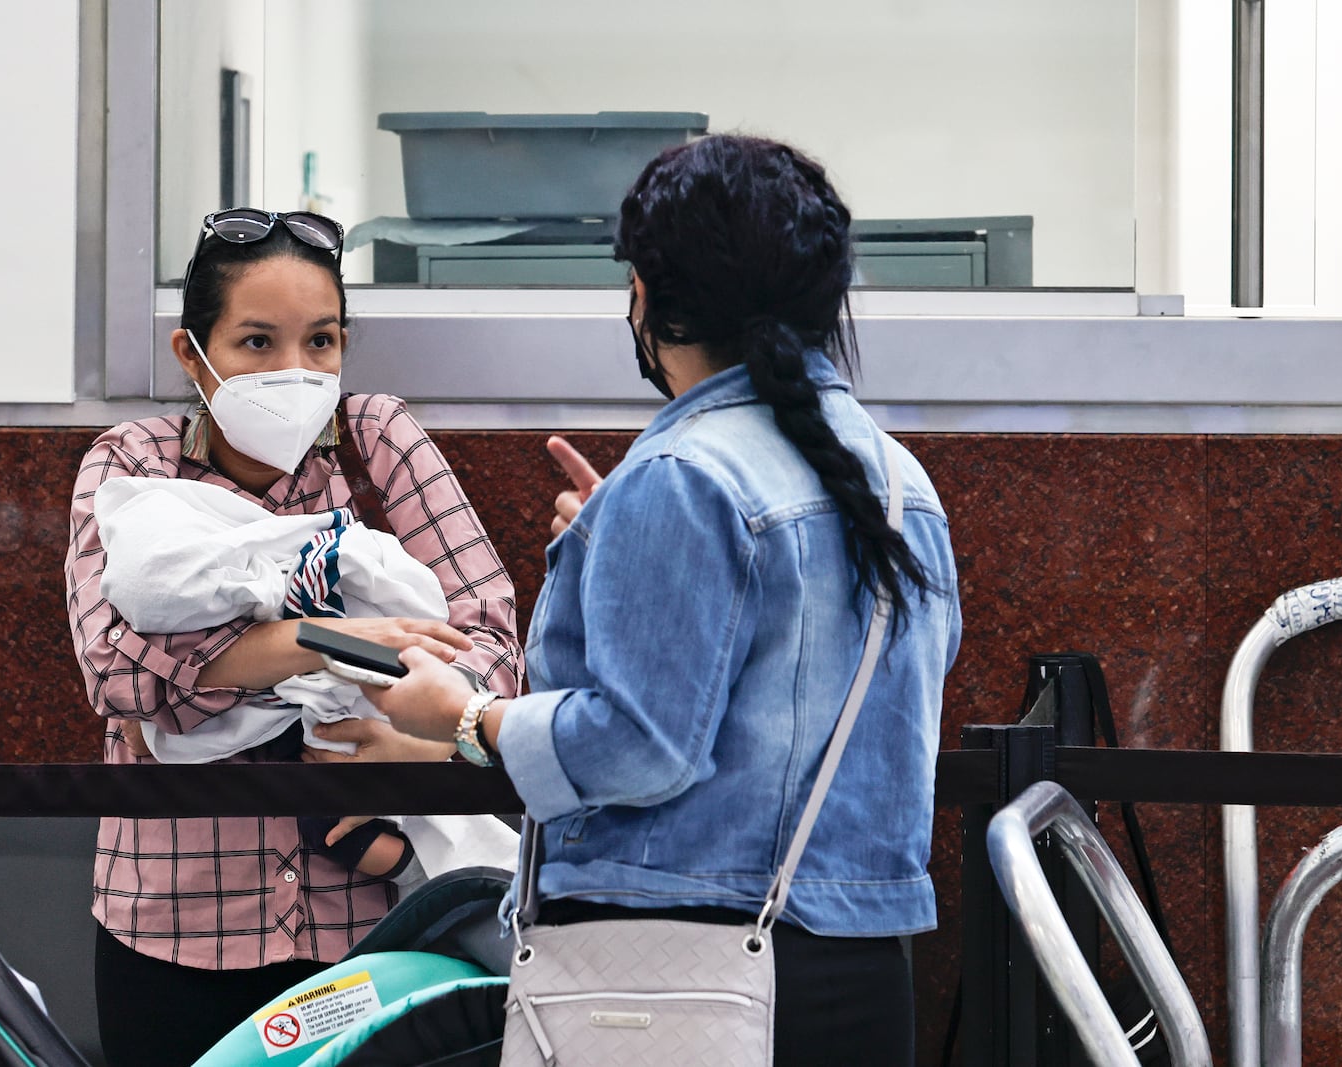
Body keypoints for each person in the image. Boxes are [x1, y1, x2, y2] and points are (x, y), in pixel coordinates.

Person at [365, 135, 962, 1065]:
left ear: (651, 294)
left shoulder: (684, 476)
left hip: (679, 977)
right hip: (862, 973)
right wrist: (627, 541)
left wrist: (468, 715)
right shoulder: (899, 483)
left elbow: (640, 746)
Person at [64, 208, 523, 1067]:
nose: (294, 370)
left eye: (320, 342)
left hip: (367, 930)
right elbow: (115, 670)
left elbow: (491, 637)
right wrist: (321, 640)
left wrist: (410, 741)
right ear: (191, 356)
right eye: (256, 343)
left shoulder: (377, 440)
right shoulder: (135, 463)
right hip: (175, 921)